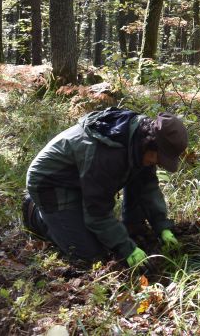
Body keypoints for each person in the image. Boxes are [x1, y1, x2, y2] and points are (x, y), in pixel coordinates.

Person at [22, 107, 188, 270]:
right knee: (90, 256)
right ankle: (38, 215)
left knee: (138, 177)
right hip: (50, 183)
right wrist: (125, 248)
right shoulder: (108, 155)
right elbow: (97, 213)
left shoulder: (141, 139)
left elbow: (147, 186)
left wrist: (162, 226)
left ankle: (127, 225)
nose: (159, 163)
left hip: (82, 180)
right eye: (159, 158)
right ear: (150, 143)